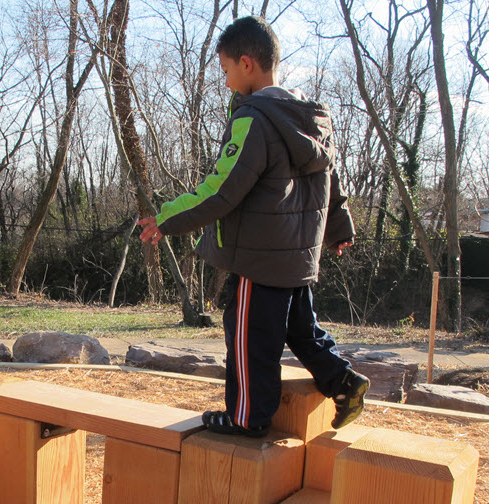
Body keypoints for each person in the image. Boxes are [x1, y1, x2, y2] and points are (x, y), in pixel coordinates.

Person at [136, 16, 367, 438]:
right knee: (302, 330)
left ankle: (247, 416)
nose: (225, 83)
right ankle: (344, 382)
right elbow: (330, 182)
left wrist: (166, 218)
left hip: (259, 260)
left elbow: (222, 189)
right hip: (298, 258)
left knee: (247, 339)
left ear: (246, 64)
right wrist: (338, 228)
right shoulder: (309, 119)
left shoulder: (255, 120)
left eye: (225, 71)